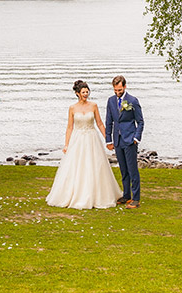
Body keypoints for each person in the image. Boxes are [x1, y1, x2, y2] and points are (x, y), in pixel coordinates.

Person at [47, 80, 121, 210]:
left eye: (87, 92)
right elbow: (70, 127)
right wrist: (66, 144)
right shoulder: (72, 108)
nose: (86, 94)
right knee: (77, 167)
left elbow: (99, 123)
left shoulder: (93, 106)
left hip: (92, 139)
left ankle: (97, 195)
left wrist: (107, 139)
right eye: (83, 92)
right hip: (78, 140)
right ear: (77, 93)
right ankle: (76, 194)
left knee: (95, 165)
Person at [105, 75, 144, 209]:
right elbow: (109, 121)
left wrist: (136, 138)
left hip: (130, 139)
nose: (117, 93)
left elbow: (140, 121)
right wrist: (108, 140)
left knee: (133, 170)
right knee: (123, 169)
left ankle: (136, 198)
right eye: (115, 90)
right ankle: (126, 195)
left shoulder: (132, 100)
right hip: (117, 140)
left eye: (120, 90)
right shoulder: (110, 101)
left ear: (125, 86)